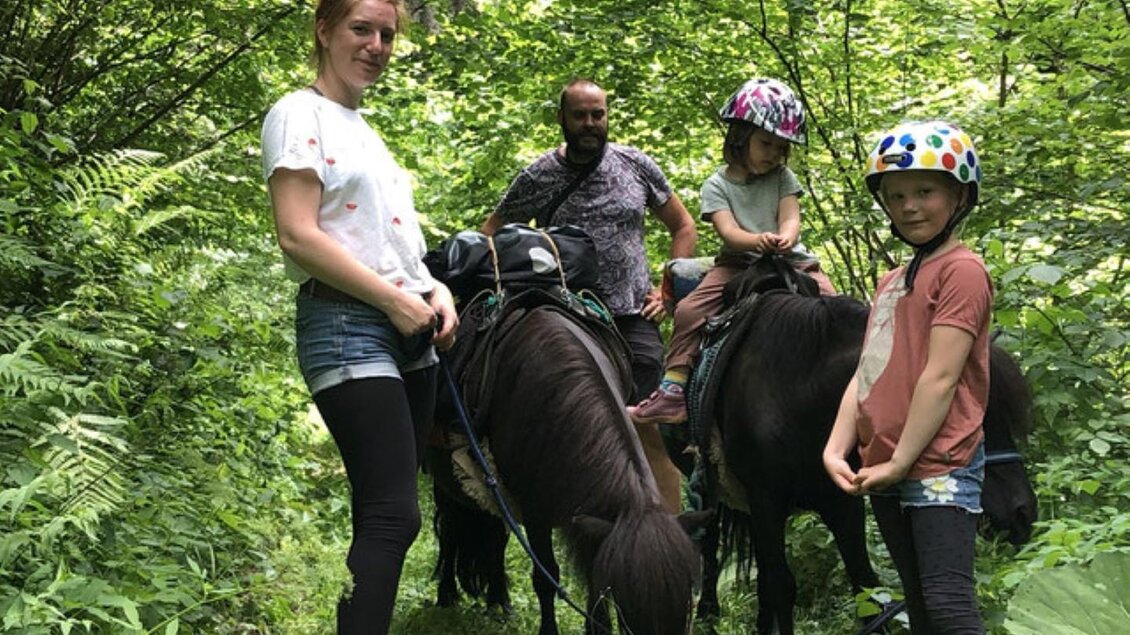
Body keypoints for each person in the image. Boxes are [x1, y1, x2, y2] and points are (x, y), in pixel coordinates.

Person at [260, 1, 458, 632]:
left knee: (391, 514)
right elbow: (297, 236)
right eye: (361, 29)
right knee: (391, 515)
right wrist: (396, 300)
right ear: (324, 30)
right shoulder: (299, 113)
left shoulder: (363, 128)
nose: (376, 44)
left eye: (387, 34)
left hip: (408, 327)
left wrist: (433, 288)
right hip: (349, 325)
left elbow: (382, 238)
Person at [480, 78, 697, 513]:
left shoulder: (636, 165)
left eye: (597, 114)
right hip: (568, 316)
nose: (590, 123)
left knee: (649, 423)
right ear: (561, 118)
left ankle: (670, 539)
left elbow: (683, 226)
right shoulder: (539, 175)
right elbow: (491, 233)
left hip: (634, 314)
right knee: (576, 426)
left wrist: (666, 291)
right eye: (579, 115)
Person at [822, 120, 990, 634]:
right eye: (895, 196)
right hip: (885, 464)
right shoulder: (893, 281)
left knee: (947, 605)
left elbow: (940, 378)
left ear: (959, 195)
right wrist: (835, 448)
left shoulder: (961, 271)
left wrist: (899, 463)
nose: (909, 206)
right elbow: (867, 371)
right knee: (919, 604)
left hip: (938, 463)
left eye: (924, 191)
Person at [629, 78, 835, 431]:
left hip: (789, 259)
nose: (773, 153)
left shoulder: (784, 177)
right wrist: (758, 240)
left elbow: (790, 217)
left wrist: (785, 238)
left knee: (833, 303)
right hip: (739, 263)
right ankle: (674, 387)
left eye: (780, 147)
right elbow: (728, 232)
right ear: (740, 139)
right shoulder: (717, 185)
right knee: (692, 310)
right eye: (765, 143)